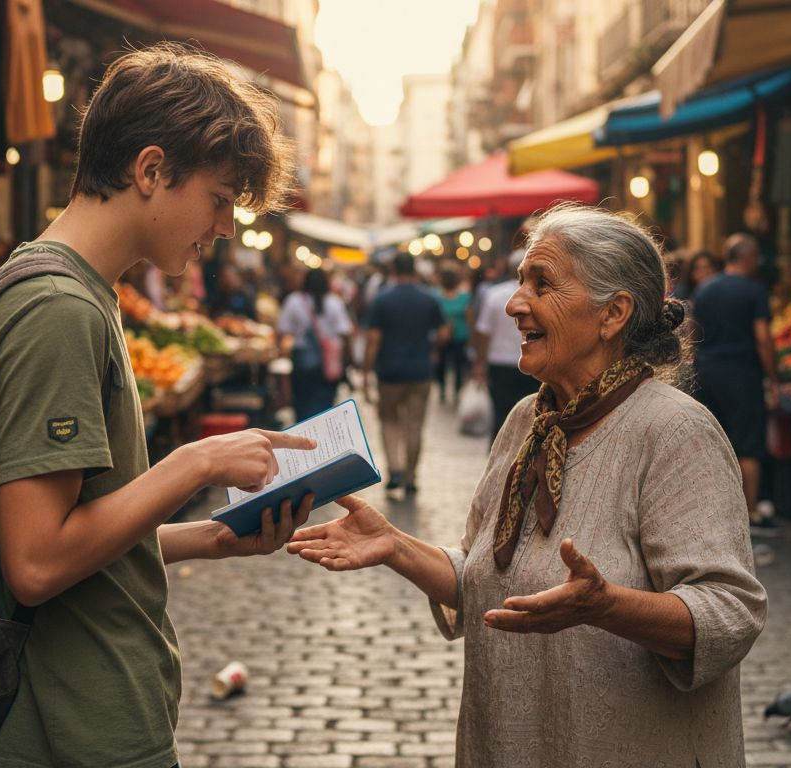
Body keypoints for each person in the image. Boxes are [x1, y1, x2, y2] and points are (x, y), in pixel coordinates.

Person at [289, 204, 766, 767]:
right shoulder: (528, 420)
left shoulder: (675, 431)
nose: (515, 304)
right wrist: (396, 545)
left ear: (612, 314)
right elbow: (488, 581)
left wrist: (606, 605)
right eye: (520, 282)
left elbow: (728, 613)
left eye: (542, 284)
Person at [0, 43, 316, 768]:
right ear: (151, 170)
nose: (223, 229)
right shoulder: (58, 310)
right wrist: (197, 461)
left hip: (81, 710)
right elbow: (35, 561)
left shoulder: (67, 288)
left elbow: (74, 534)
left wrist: (210, 538)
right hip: (74, 721)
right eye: (218, 199)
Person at [692, 233, 778, 531]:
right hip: (742, 372)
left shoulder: (704, 288)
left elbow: (692, 333)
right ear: (749, 258)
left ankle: (717, 516)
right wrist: (773, 378)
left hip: (707, 370)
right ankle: (749, 514)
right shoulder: (754, 291)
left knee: (716, 444)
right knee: (749, 445)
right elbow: (763, 338)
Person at [364, 253, 447, 494]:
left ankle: (395, 469)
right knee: (414, 425)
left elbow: (373, 340)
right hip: (420, 371)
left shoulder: (382, 300)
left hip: (389, 372)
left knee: (389, 421)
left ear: (393, 270)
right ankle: (410, 476)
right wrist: (430, 347)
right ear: (414, 269)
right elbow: (443, 333)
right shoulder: (428, 298)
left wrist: (367, 373)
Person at [473, 247, 536, 441]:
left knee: (501, 415)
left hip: (500, 362)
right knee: (531, 418)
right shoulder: (538, 295)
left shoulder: (494, 294)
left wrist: (480, 362)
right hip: (530, 363)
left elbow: (484, 332)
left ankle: (499, 454)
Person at [278, 268, 354, 420]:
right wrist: (349, 358)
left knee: (302, 401)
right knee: (326, 404)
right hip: (329, 360)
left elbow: (283, 329)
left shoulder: (294, 300)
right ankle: (323, 439)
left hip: (301, 359)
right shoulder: (334, 302)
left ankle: (304, 437)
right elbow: (345, 332)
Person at [434, 266, 472, 404]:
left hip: (459, 337)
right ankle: (442, 390)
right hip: (441, 338)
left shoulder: (464, 296)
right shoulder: (435, 295)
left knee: (458, 366)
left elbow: (470, 319)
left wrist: (471, 338)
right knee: (440, 366)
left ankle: (456, 391)